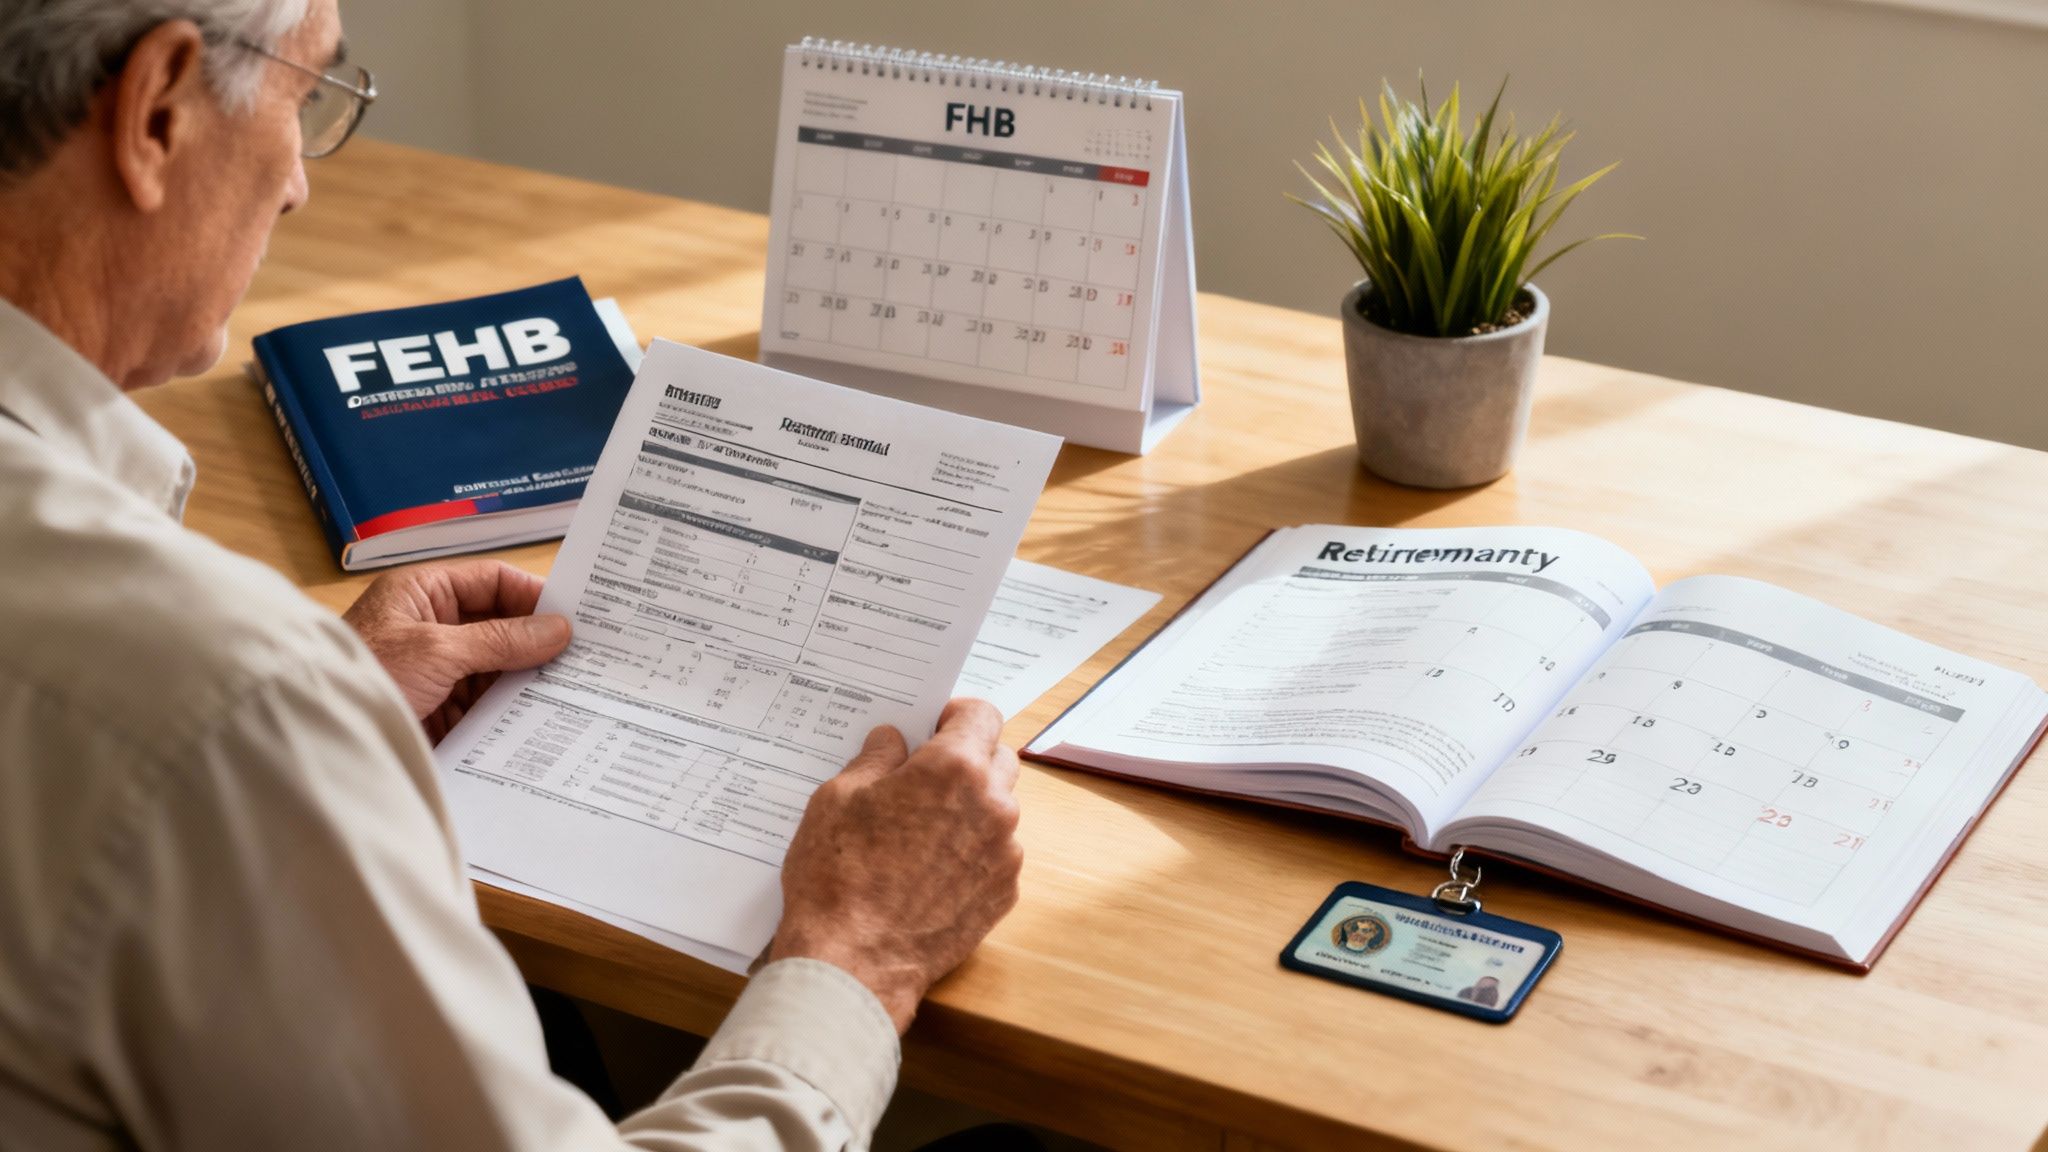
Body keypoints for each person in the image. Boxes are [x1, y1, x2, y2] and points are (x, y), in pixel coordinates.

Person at [0, 2, 1024, 1148]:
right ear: (156, 112)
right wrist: (860, 956)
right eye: (305, 97)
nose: (296, 184)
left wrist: (307, 723)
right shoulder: (215, 699)